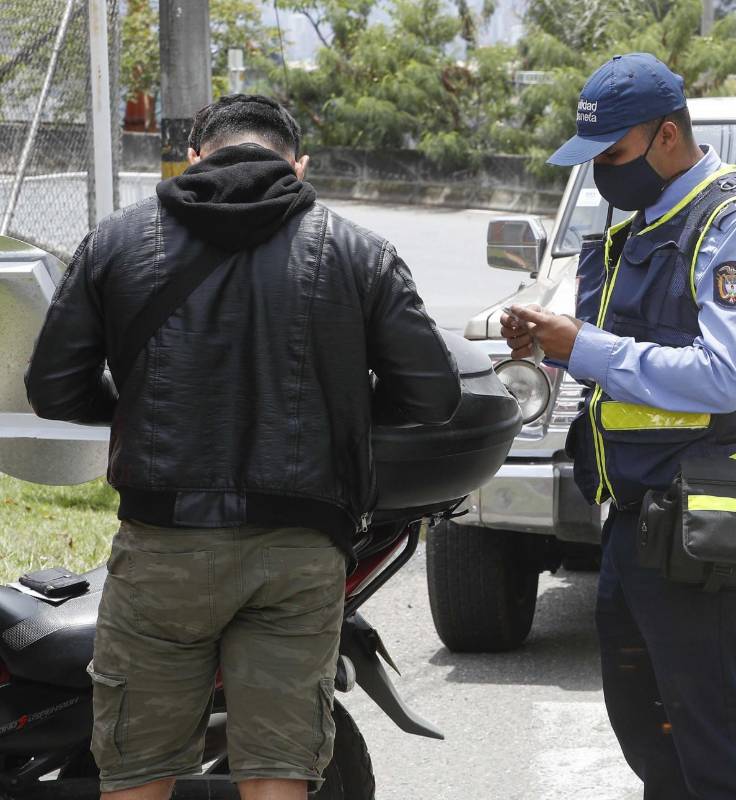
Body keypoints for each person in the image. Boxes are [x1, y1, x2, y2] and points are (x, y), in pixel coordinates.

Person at [25, 94, 460, 799]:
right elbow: (433, 395)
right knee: (279, 774)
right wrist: (335, 411)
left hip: (164, 547)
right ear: (298, 163)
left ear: (196, 156)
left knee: (135, 773)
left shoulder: (116, 241)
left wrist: (130, 408)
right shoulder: (359, 252)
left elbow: (53, 387)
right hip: (298, 550)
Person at [501, 54, 736, 798]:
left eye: (614, 155)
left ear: (668, 136)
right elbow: (623, 365)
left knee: (721, 751)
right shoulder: (642, 224)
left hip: (703, 527)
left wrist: (586, 345)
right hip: (634, 521)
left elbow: (721, 375)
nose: (604, 173)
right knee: (654, 743)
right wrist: (550, 342)